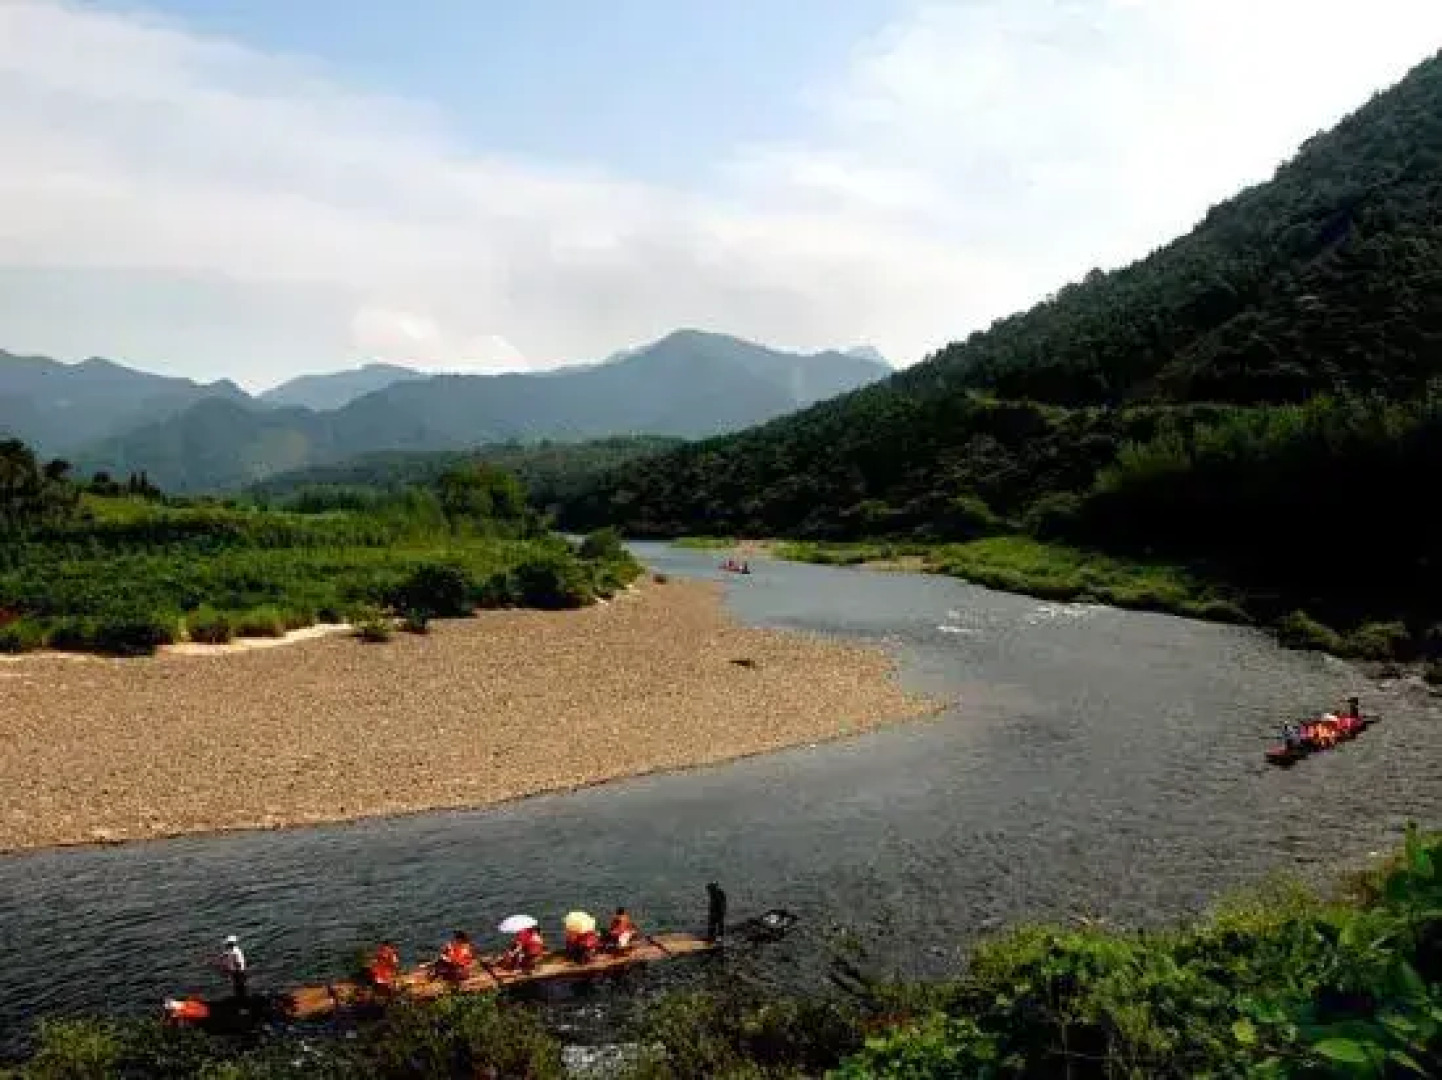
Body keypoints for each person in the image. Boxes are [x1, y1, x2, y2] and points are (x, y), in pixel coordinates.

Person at [219, 935, 247, 1000]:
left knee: (239, 986)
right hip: (236, 972)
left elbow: (238, 963)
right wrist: (222, 956)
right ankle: (240, 997)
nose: (226, 945)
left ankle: (241, 999)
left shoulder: (236, 953)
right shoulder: (233, 950)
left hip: (238, 972)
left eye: (228, 944)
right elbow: (227, 953)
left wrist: (234, 971)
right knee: (238, 986)